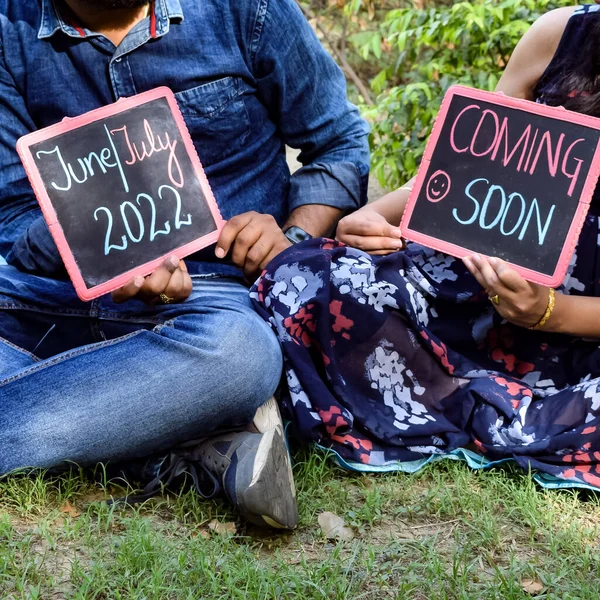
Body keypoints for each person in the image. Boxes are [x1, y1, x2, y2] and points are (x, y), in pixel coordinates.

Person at [0, 0, 370, 529]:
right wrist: (98, 248)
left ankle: (162, 422)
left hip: (211, 299)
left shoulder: (247, 9)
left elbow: (339, 143)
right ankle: (191, 446)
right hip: (57, 296)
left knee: (241, 355)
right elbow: (12, 215)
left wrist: (291, 234)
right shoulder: (7, 30)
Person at [252, 4, 600, 490]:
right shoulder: (558, 36)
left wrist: (552, 313)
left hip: (581, 333)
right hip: (471, 293)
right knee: (303, 277)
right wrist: (372, 216)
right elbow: (473, 166)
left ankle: (462, 402)